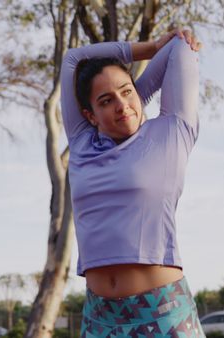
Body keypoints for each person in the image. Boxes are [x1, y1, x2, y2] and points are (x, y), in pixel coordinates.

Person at [60, 29, 204, 337]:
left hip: (163, 311)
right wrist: (150, 48)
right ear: (90, 114)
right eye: (106, 100)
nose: (121, 105)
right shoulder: (82, 142)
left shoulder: (171, 132)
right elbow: (73, 58)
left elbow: (179, 47)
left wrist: (161, 49)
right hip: (100, 316)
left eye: (127, 92)